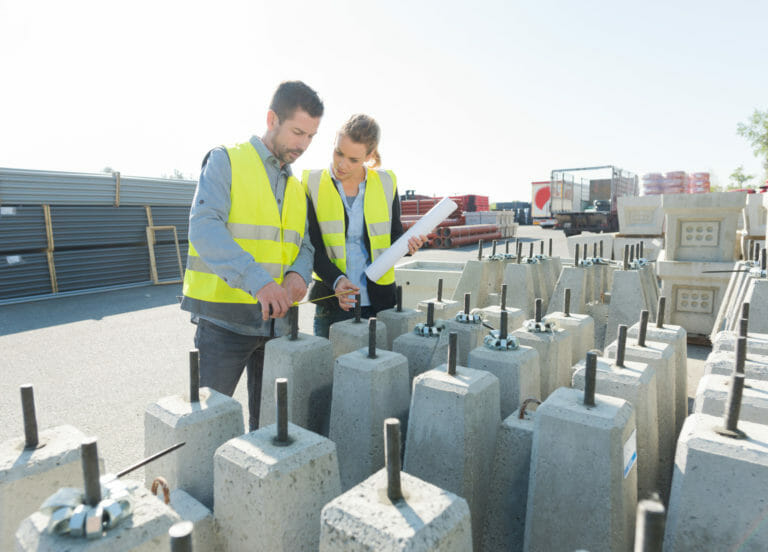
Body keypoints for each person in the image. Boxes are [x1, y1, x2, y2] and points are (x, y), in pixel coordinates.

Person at [181, 81, 323, 431]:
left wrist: (299, 275)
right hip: (223, 325)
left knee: (272, 431)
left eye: (311, 136)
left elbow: (304, 244)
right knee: (206, 430)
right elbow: (204, 227)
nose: (303, 144)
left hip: (278, 326)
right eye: (297, 132)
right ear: (272, 118)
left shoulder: (296, 186)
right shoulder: (226, 160)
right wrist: (259, 282)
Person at [303, 113, 426, 337]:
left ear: (369, 156)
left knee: (378, 369)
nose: (342, 164)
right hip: (334, 301)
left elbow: (394, 236)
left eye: (353, 160)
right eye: (338, 153)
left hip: (380, 302)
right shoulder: (311, 183)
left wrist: (409, 246)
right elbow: (310, 246)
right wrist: (336, 281)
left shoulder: (387, 182)